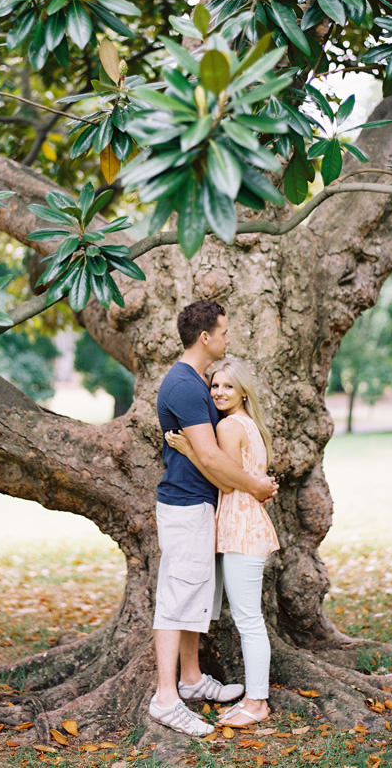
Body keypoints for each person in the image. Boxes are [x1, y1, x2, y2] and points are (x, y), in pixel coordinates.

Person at [150, 302, 278, 737]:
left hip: (203, 508)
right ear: (205, 337)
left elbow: (214, 457)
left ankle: (190, 680)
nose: (228, 338)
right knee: (175, 599)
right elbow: (209, 457)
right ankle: (167, 699)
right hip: (185, 506)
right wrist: (257, 485)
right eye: (224, 332)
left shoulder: (197, 383)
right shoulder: (185, 386)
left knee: (194, 596)